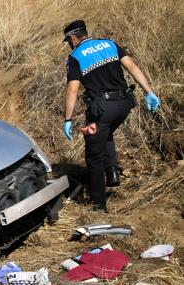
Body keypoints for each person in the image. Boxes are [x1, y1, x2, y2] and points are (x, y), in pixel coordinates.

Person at [61, 19, 160, 211]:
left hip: (103, 108)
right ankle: (112, 172)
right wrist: (149, 92)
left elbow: (72, 89)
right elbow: (132, 67)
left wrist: (68, 119)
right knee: (105, 131)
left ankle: (99, 206)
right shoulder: (109, 43)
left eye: (68, 41)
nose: (69, 44)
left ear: (73, 37)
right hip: (124, 104)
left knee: (93, 155)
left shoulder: (75, 57)